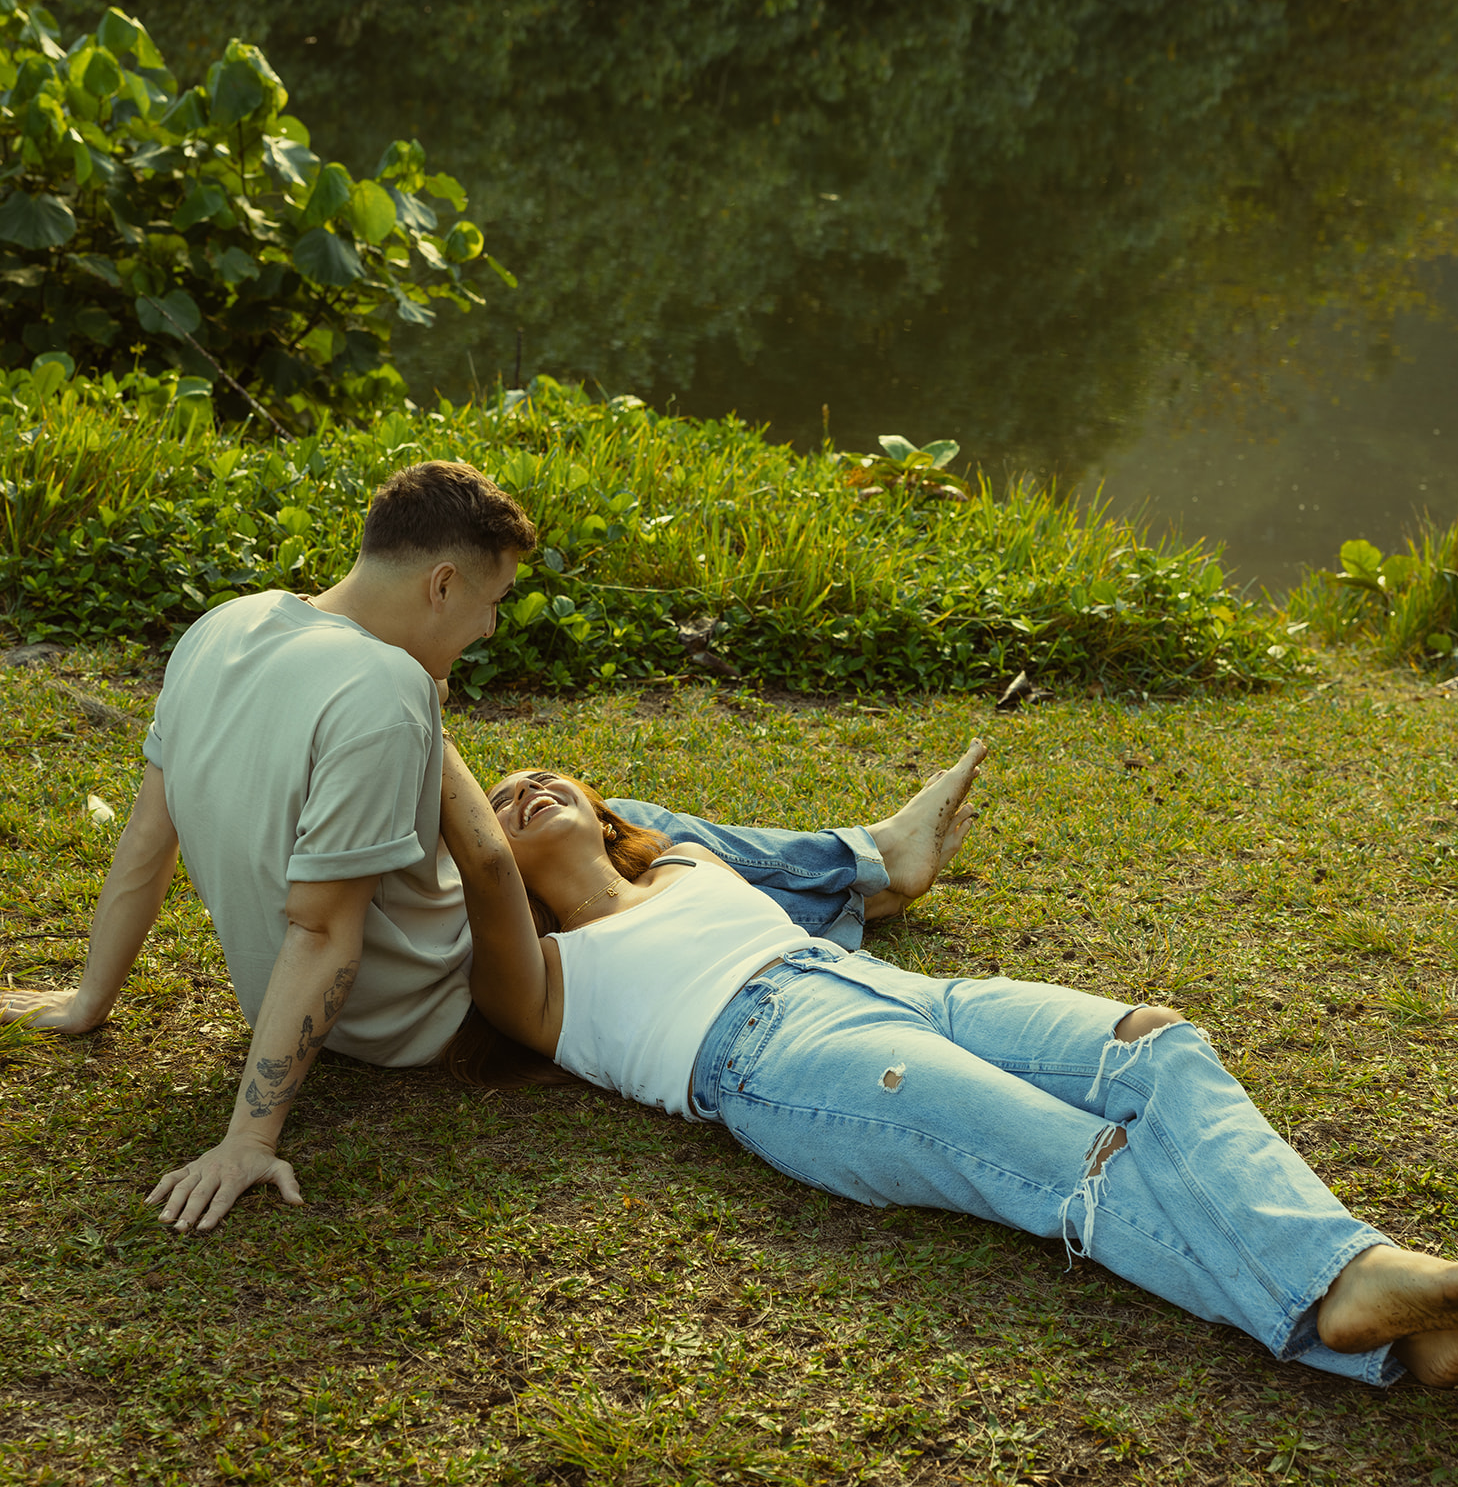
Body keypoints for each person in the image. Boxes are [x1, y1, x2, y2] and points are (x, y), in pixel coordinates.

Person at [432, 739, 1458, 1392]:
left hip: (895, 992)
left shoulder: (687, 862)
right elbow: (479, 862)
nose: (526, 786)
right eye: (504, 792)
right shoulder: (533, 977)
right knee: (1080, 1162)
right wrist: (417, 702)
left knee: (1153, 1039)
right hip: (783, 1056)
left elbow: (835, 875)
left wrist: (888, 853)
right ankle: (1357, 1309)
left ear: (606, 806)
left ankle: (1375, 1296)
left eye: (554, 772)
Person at [0, 460, 978, 1232]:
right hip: (430, 1006)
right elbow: (330, 928)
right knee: (610, 827)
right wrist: (246, 1136)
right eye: (490, 601)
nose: (489, 625)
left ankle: (870, 869)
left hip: (343, 989)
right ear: (439, 582)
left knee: (583, 813)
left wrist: (93, 999)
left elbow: (145, 837)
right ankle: (869, 867)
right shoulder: (383, 694)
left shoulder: (223, 626)